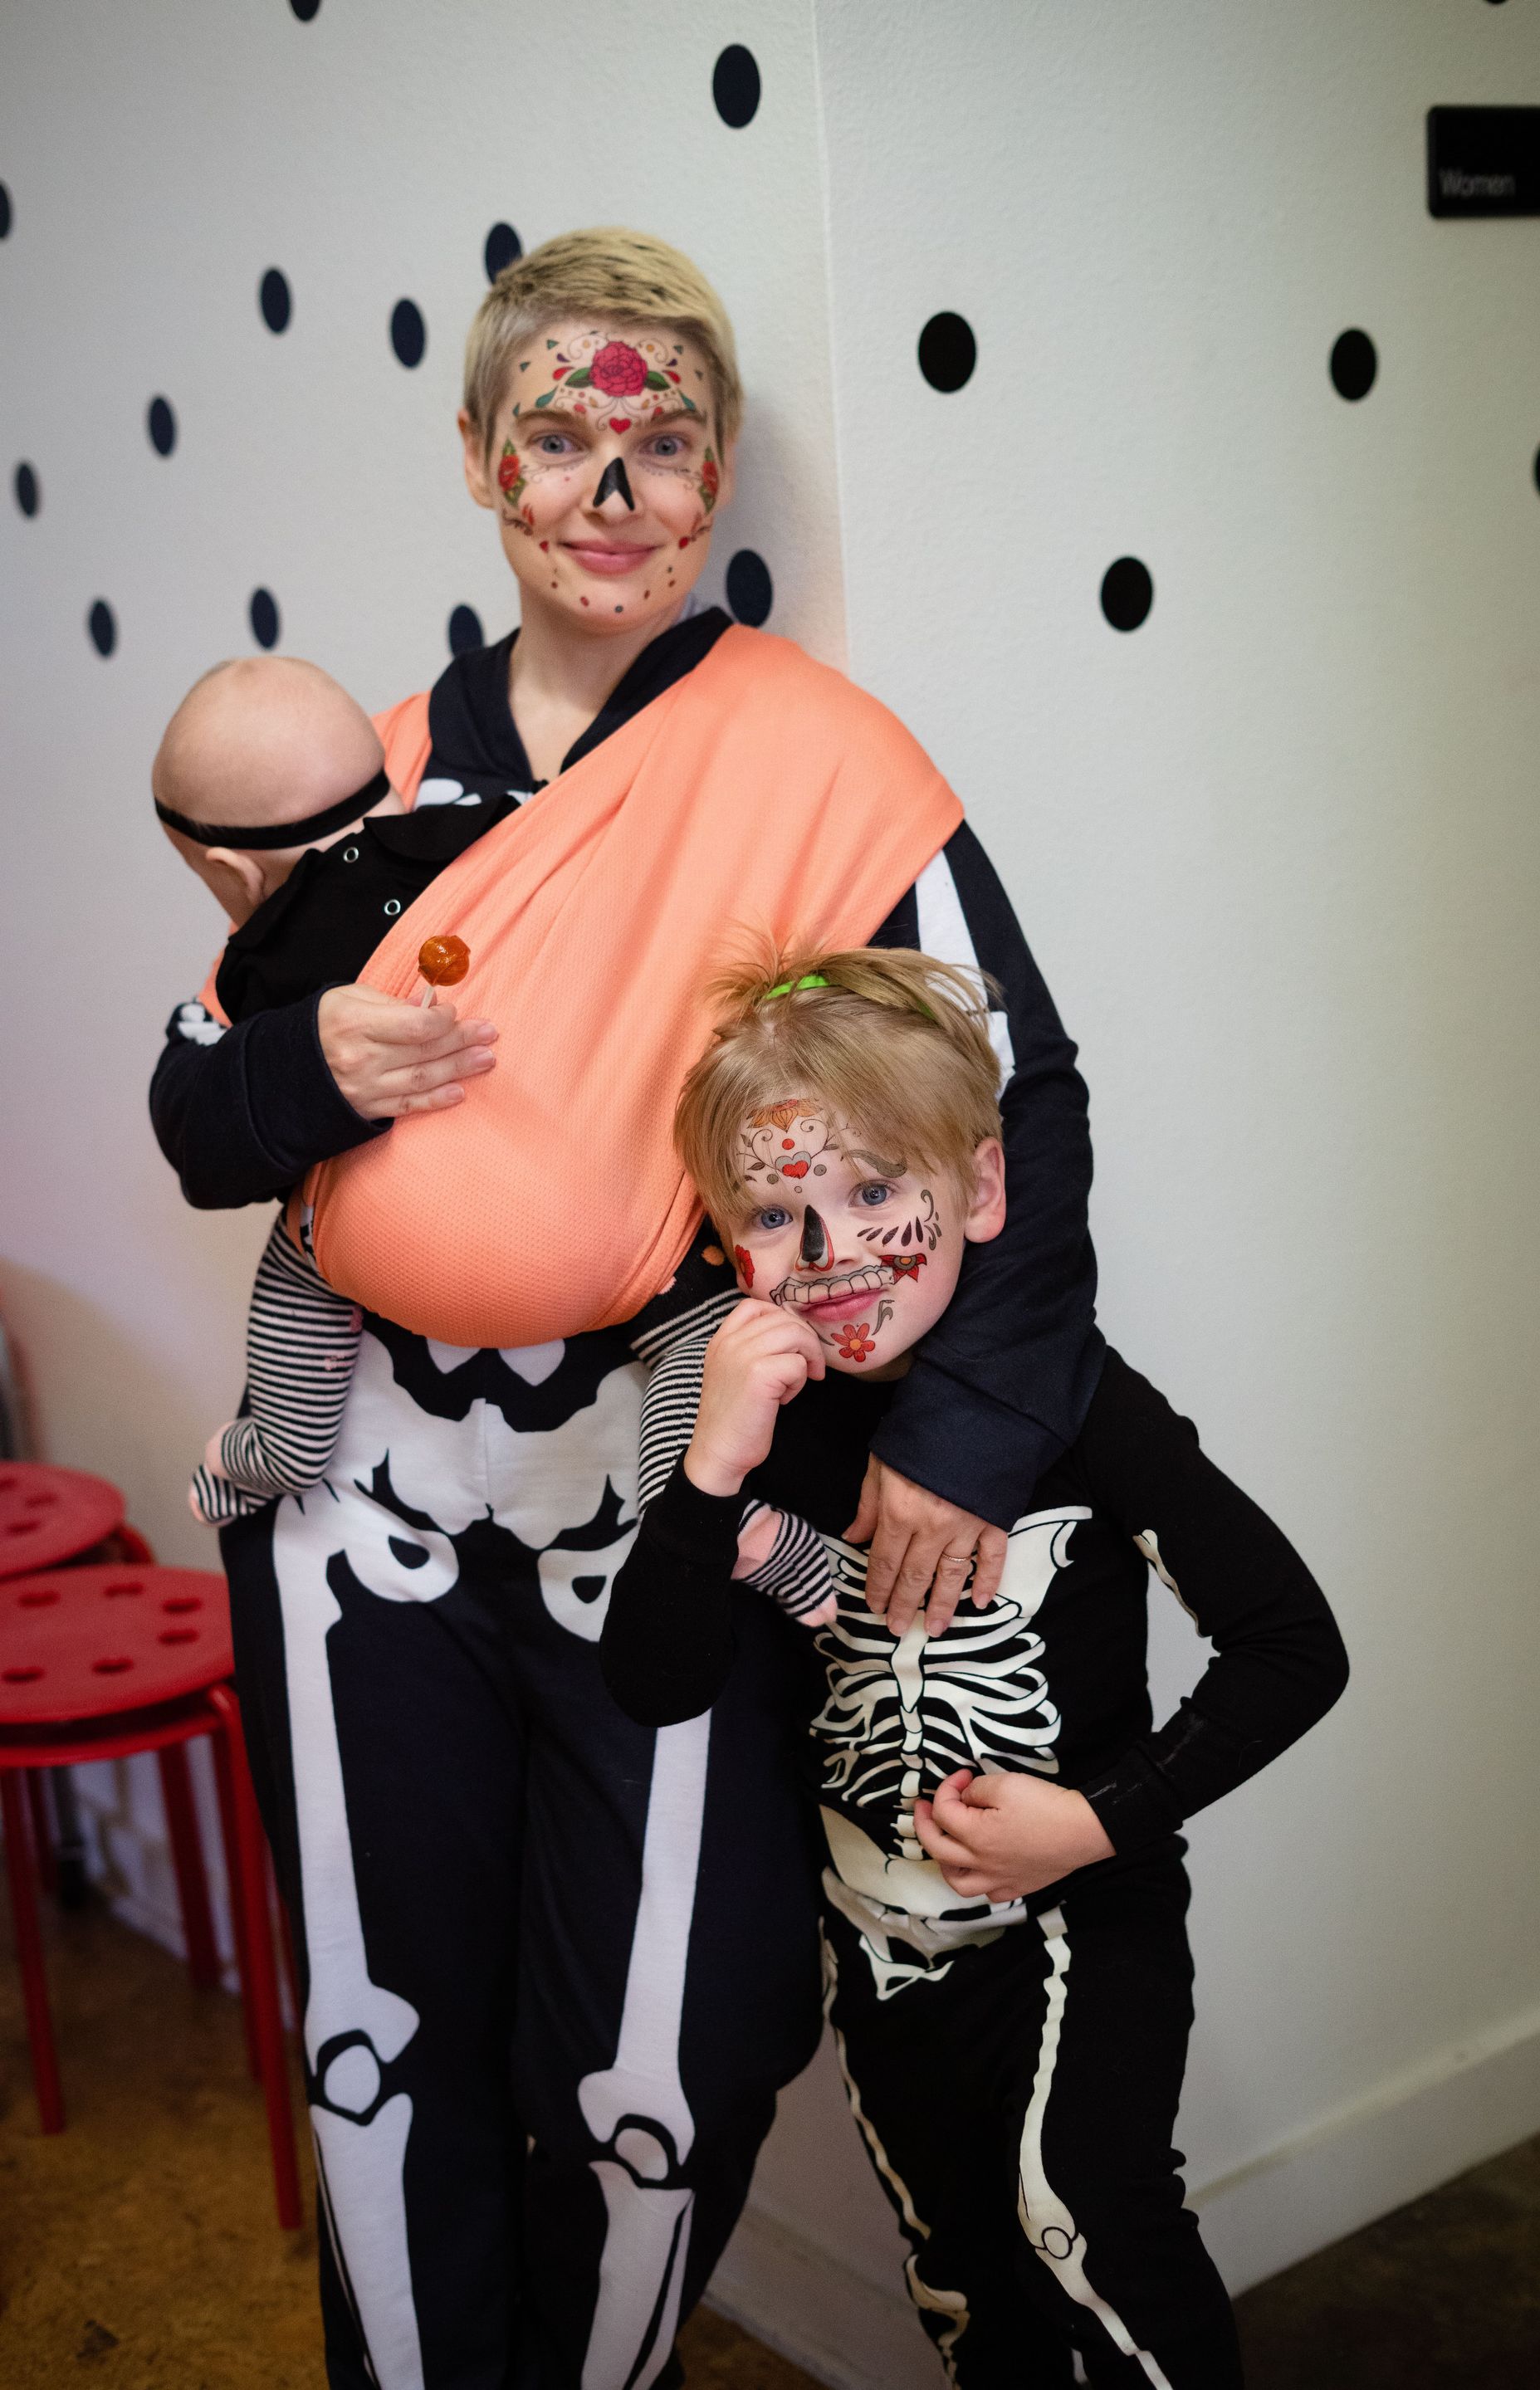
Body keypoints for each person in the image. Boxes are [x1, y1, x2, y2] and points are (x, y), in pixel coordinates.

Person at [148, 227, 1101, 2390]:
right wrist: (320, 1056)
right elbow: (206, 1110)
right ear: (480, 459)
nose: (607, 489)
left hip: (646, 1474)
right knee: (385, 2030)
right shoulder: (372, 777)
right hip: (361, 1490)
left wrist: (966, 1433)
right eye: (559, 436)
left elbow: (1009, 1095)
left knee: (666, 2050)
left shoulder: (824, 758)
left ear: (722, 468)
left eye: (656, 443)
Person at [601, 946, 1349, 2389]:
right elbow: (652, 1676)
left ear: (985, 1191)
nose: (829, 1249)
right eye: (775, 1211)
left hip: (1080, 1912)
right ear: (725, 1242)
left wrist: (1098, 1814)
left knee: (1085, 2227)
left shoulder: (1074, 1401)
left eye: (879, 1189)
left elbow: (1292, 1644)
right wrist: (705, 1469)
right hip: (879, 1946)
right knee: (963, 2274)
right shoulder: (754, 1425)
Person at [152, 653, 834, 1617]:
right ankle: (759, 1536)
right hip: (653, 1251)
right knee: (697, 1444)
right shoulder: (503, 833)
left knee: (297, 1363)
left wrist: (287, 1059)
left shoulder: (259, 954)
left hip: (348, 1252)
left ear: (226, 872)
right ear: (392, 778)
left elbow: (191, 1107)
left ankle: (261, 1453)